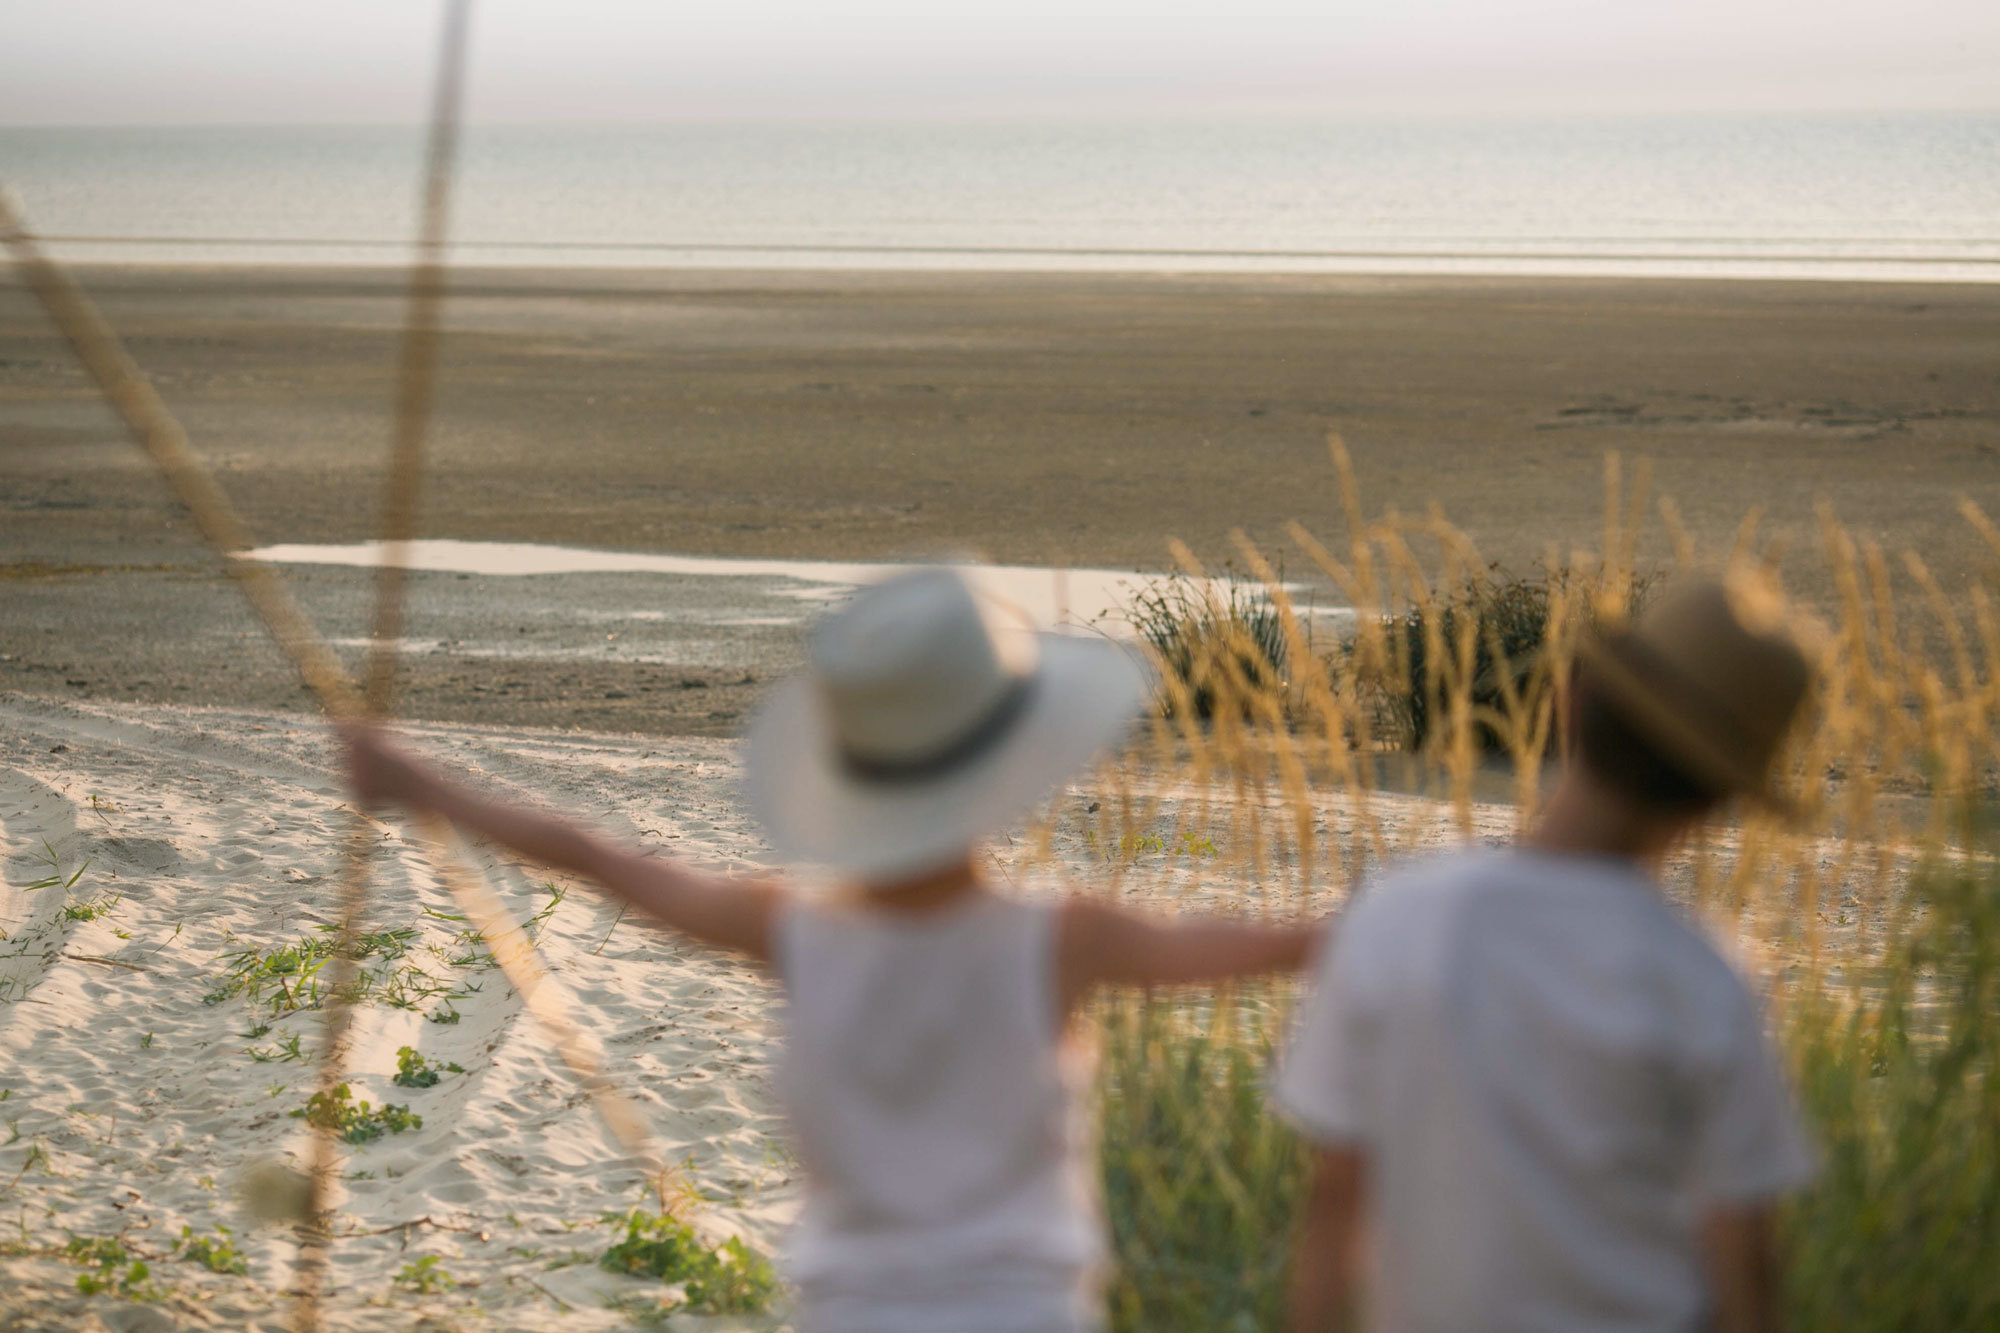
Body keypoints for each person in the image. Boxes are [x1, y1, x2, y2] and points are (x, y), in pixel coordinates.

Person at [343, 566, 1319, 1333]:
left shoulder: (792, 931)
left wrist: (423, 786)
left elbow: (602, 859)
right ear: (1010, 760)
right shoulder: (1063, 941)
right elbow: (1265, 944)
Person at [1277, 573, 1817, 1333]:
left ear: (1570, 701)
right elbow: (1744, 1258)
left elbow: (1336, 1200)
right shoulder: (1710, 981)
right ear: (1719, 801)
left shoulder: (1396, 916)